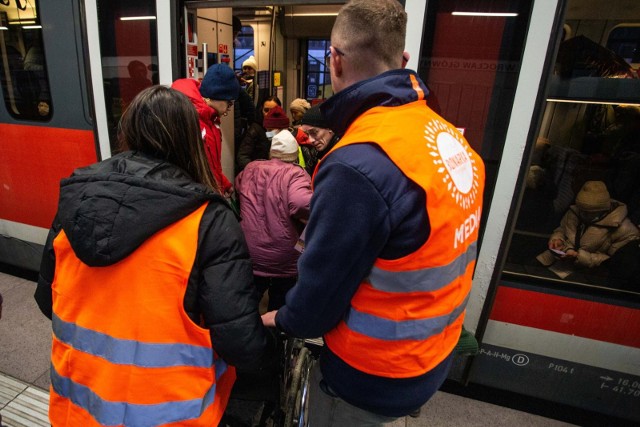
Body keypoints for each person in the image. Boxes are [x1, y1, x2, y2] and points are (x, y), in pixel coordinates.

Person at [261, 0, 485, 425]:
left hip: (371, 371)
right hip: (431, 351)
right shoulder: (448, 138)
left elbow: (321, 294)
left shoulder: (358, 164)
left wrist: (285, 317)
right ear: (402, 61)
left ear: (336, 60)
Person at [34, 86, 275, 427]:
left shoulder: (75, 200)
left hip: (78, 411)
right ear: (189, 140)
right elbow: (240, 345)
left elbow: (48, 300)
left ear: (127, 132)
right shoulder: (208, 220)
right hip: (171, 416)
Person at [235, 129, 312, 311]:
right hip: (283, 254)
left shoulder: (251, 169)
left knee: (248, 302)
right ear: (294, 154)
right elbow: (301, 202)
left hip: (250, 249)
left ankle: (249, 333)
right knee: (280, 303)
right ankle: (275, 335)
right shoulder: (295, 174)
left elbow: (239, 187)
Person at [537, 180, 640, 276]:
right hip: (555, 261)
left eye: (590, 213)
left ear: (603, 210)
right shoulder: (575, 212)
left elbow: (614, 263)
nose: (584, 215)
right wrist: (557, 240)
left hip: (587, 274)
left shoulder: (624, 229)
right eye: (582, 210)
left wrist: (579, 256)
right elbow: (561, 230)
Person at [172, 63, 238, 196]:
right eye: (229, 103)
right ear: (216, 97)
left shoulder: (211, 120)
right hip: (196, 196)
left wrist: (223, 183)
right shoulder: (191, 121)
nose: (228, 110)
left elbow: (211, 164)